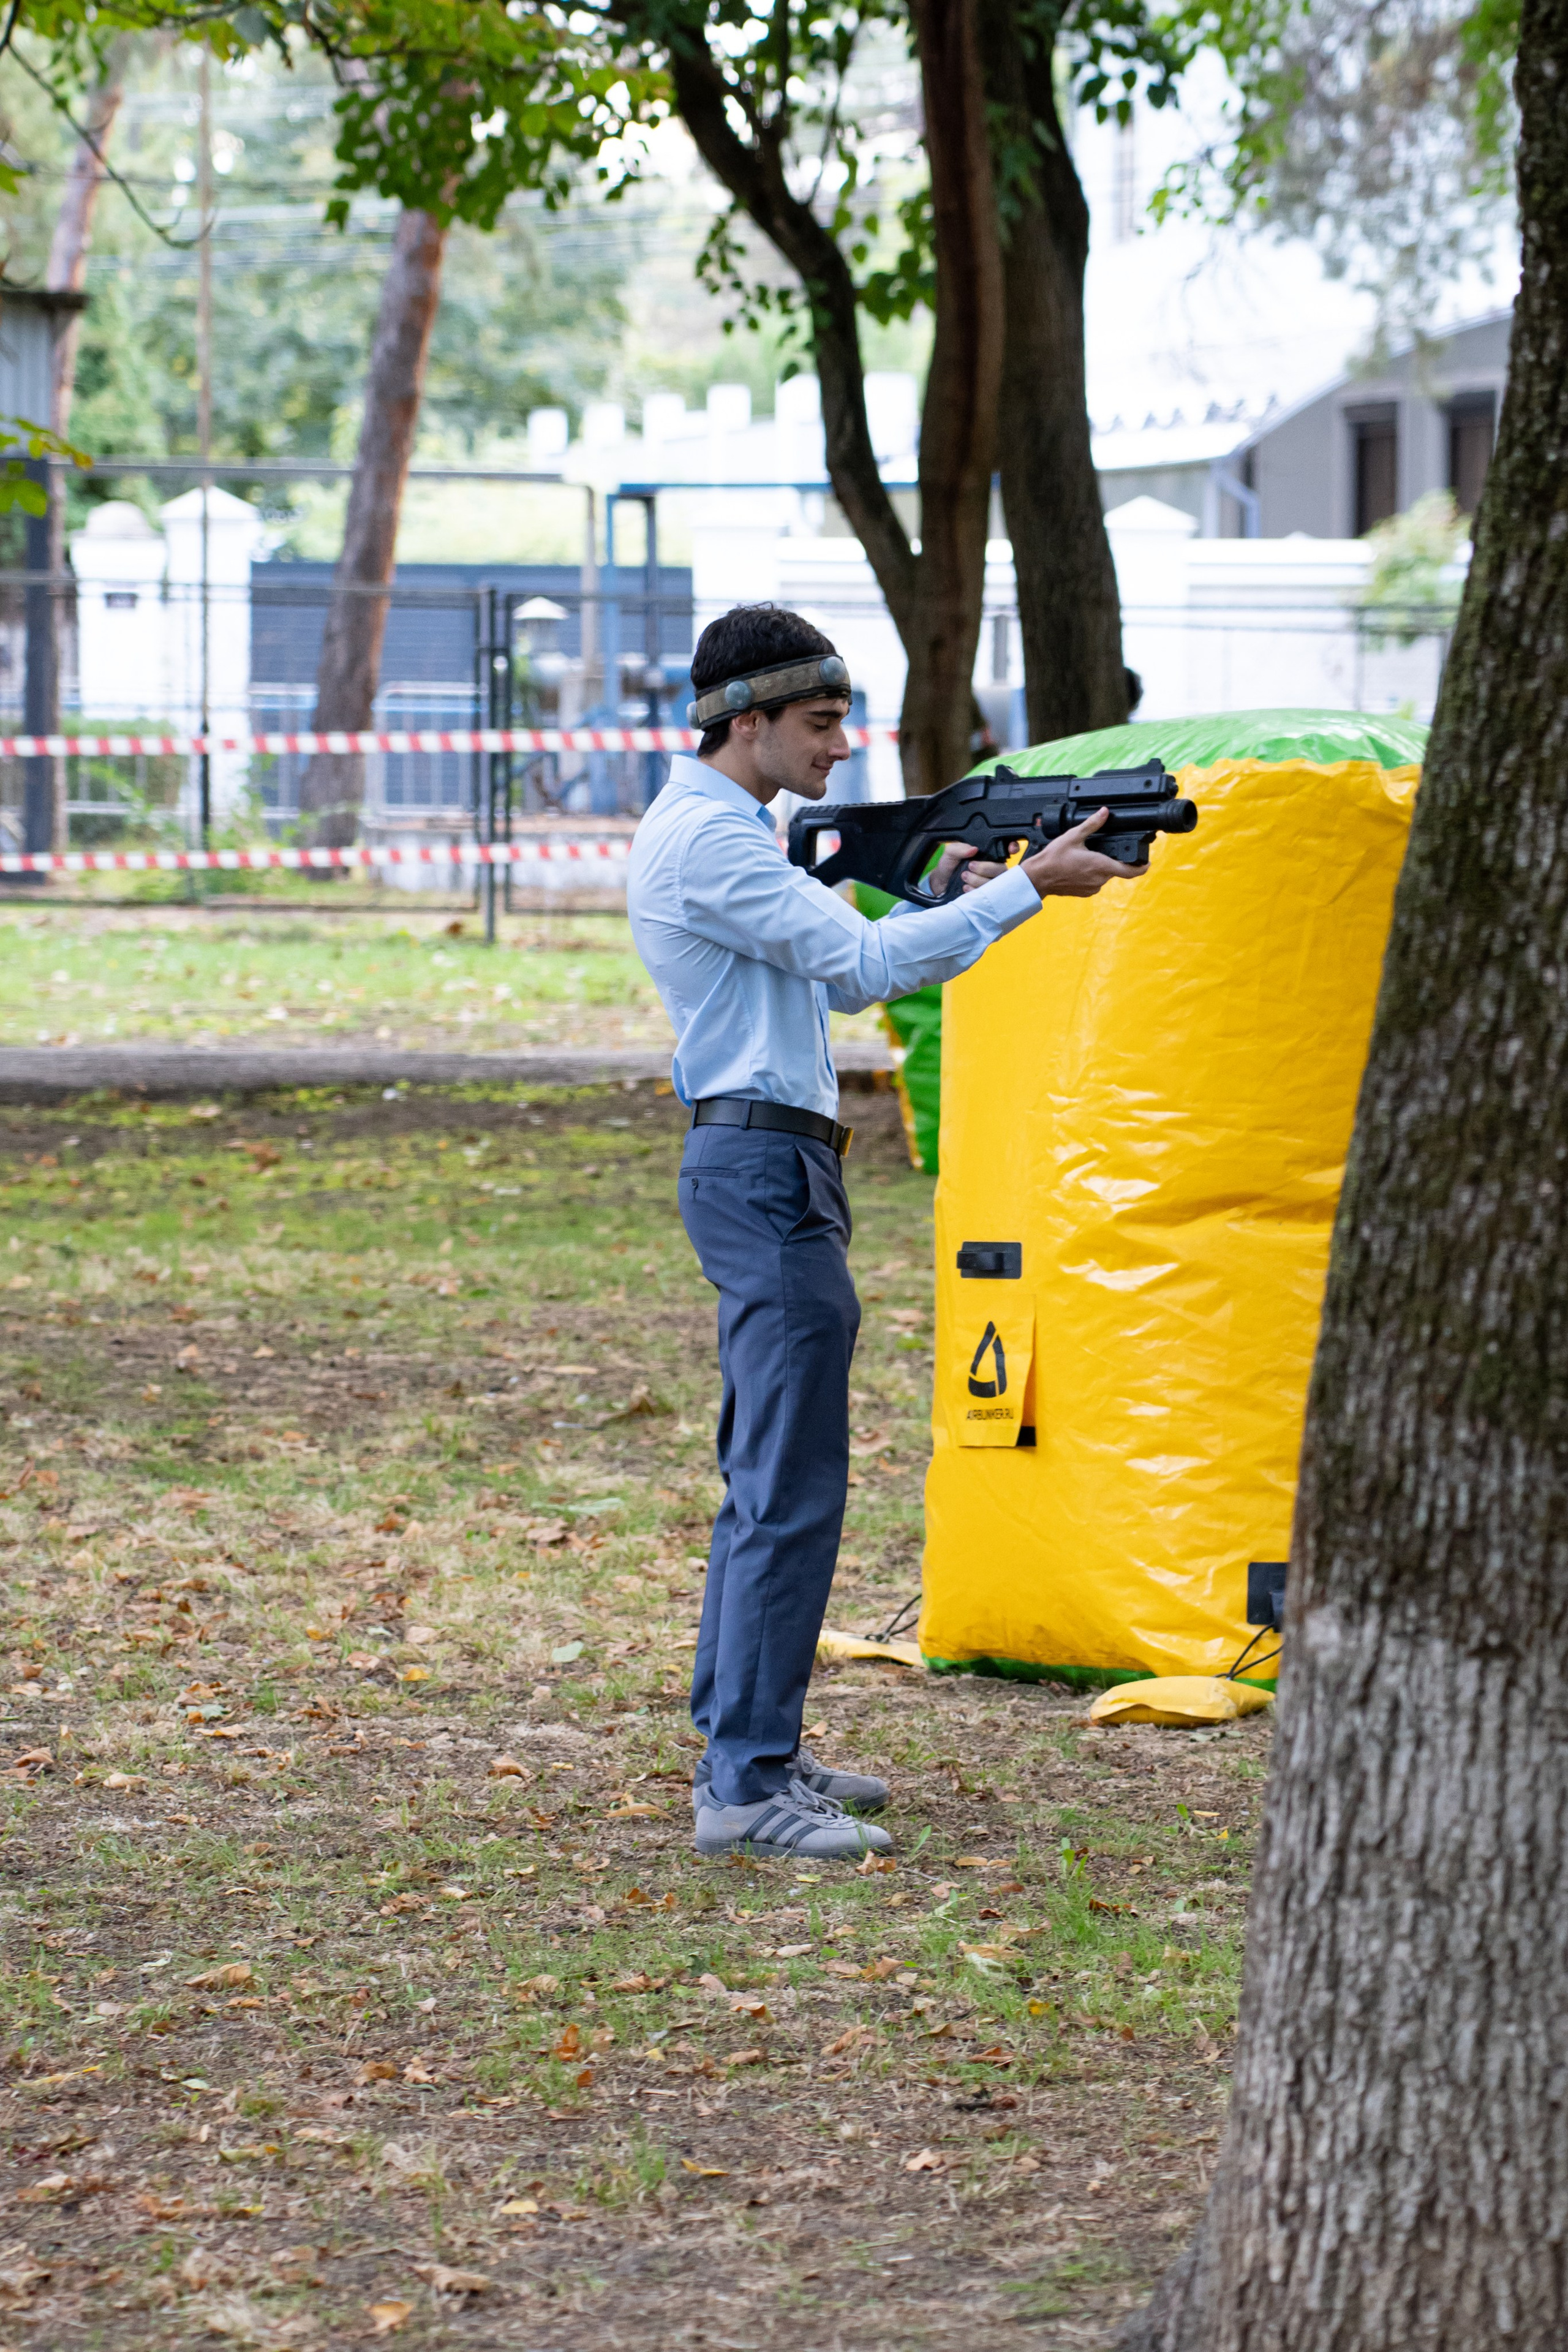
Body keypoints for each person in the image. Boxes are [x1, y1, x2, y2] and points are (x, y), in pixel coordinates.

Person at [627, 605, 1144, 1860]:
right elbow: (860, 969)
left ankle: (750, 1743)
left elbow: (845, 950)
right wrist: (1024, 887)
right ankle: (744, 1788)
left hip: (764, 1159)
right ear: (744, 722)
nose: (838, 746)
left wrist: (955, 890)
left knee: (769, 1477)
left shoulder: (722, 831)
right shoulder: (713, 842)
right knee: (789, 1488)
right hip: (762, 1168)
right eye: (816, 723)